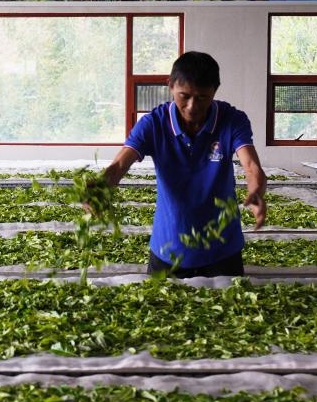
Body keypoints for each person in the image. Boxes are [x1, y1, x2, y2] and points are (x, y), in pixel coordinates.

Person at [94, 52, 267, 278]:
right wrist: (100, 188)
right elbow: (119, 164)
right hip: (169, 249)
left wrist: (255, 191)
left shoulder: (232, 120)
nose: (192, 106)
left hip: (222, 250)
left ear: (215, 90)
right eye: (184, 96)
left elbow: (252, 165)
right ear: (170, 86)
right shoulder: (153, 124)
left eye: (203, 98)